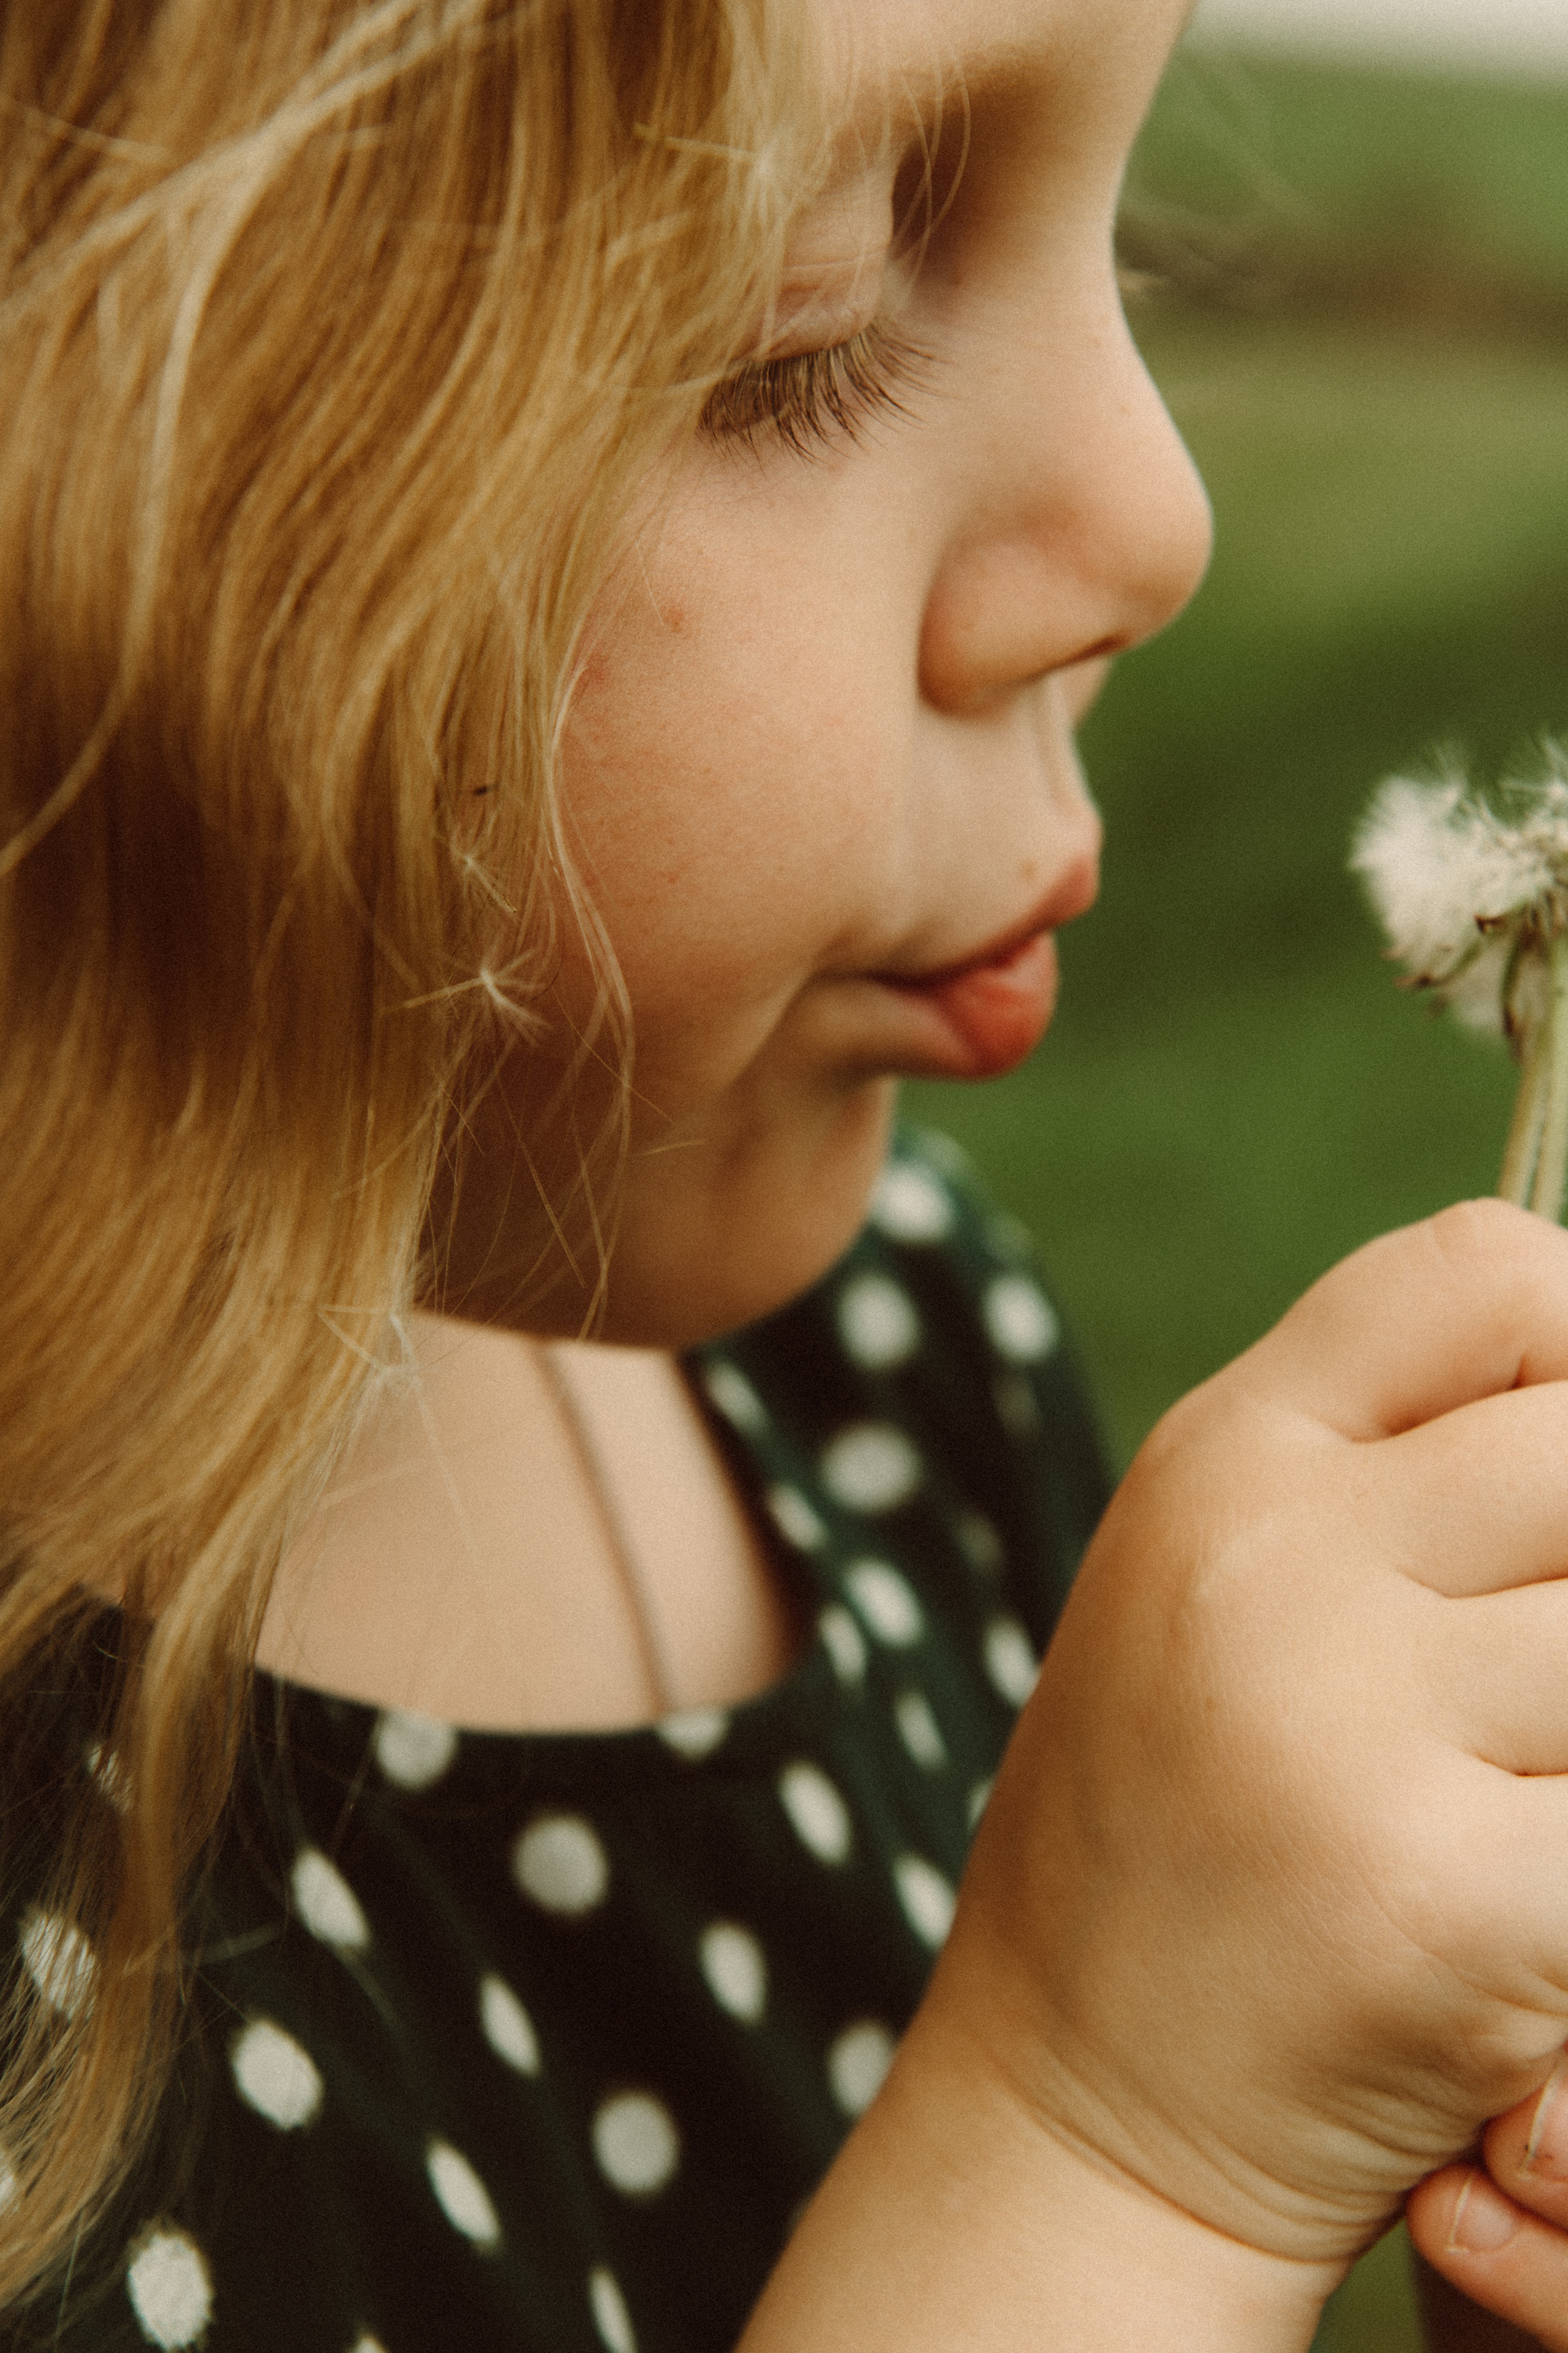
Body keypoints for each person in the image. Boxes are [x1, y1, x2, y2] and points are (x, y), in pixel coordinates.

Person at [4, 0, 1568, 2346]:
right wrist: (1110, 2157)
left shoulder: (904, 1369)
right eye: (793, 329)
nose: (1156, 519)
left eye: (1117, 244)